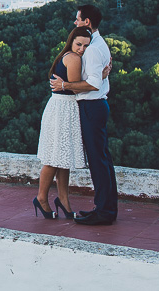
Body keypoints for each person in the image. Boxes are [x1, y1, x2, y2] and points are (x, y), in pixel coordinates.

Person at [50, 3, 117, 226]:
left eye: (78, 19)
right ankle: (106, 208)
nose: (75, 23)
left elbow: (94, 84)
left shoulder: (94, 48)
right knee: (102, 159)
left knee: (99, 161)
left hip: (92, 106)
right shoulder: (95, 44)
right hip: (94, 107)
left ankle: (104, 212)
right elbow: (99, 75)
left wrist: (65, 85)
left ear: (87, 22)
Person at [34, 26, 92, 219]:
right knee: (53, 158)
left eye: (86, 46)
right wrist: (99, 77)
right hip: (63, 109)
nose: (82, 49)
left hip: (60, 107)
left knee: (62, 158)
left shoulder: (65, 55)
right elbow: (77, 89)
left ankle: (63, 200)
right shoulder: (73, 58)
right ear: (71, 41)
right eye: (78, 44)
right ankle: (41, 198)